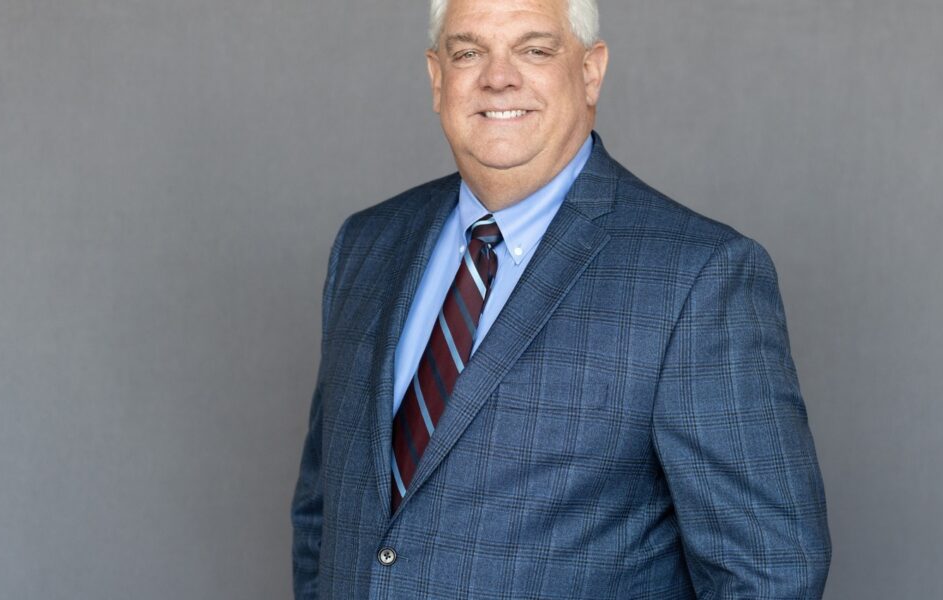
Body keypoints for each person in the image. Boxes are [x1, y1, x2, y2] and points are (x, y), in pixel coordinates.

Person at [291, 0, 831, 597]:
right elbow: (325, 515)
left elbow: (769, 574)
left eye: (535, 49)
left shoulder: (699, 277)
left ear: (591, 71)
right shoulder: (366, 246)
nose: (498, 77)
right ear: (437, 78)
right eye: (469, 52)